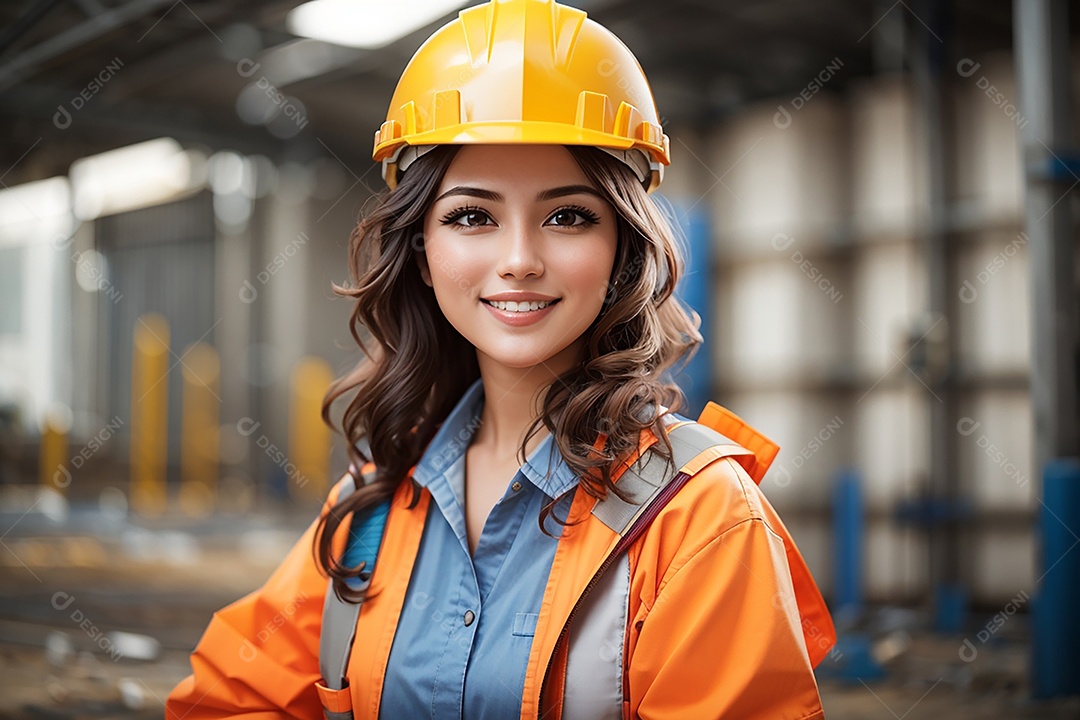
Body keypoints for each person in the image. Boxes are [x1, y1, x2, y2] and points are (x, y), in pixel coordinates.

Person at [166, 0, 835, 718]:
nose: (518, 260)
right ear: (422, 252)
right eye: (472, 216)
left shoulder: (702, 522)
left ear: (621, 251)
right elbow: (231, 700)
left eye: (568, 215)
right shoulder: (374, 506)